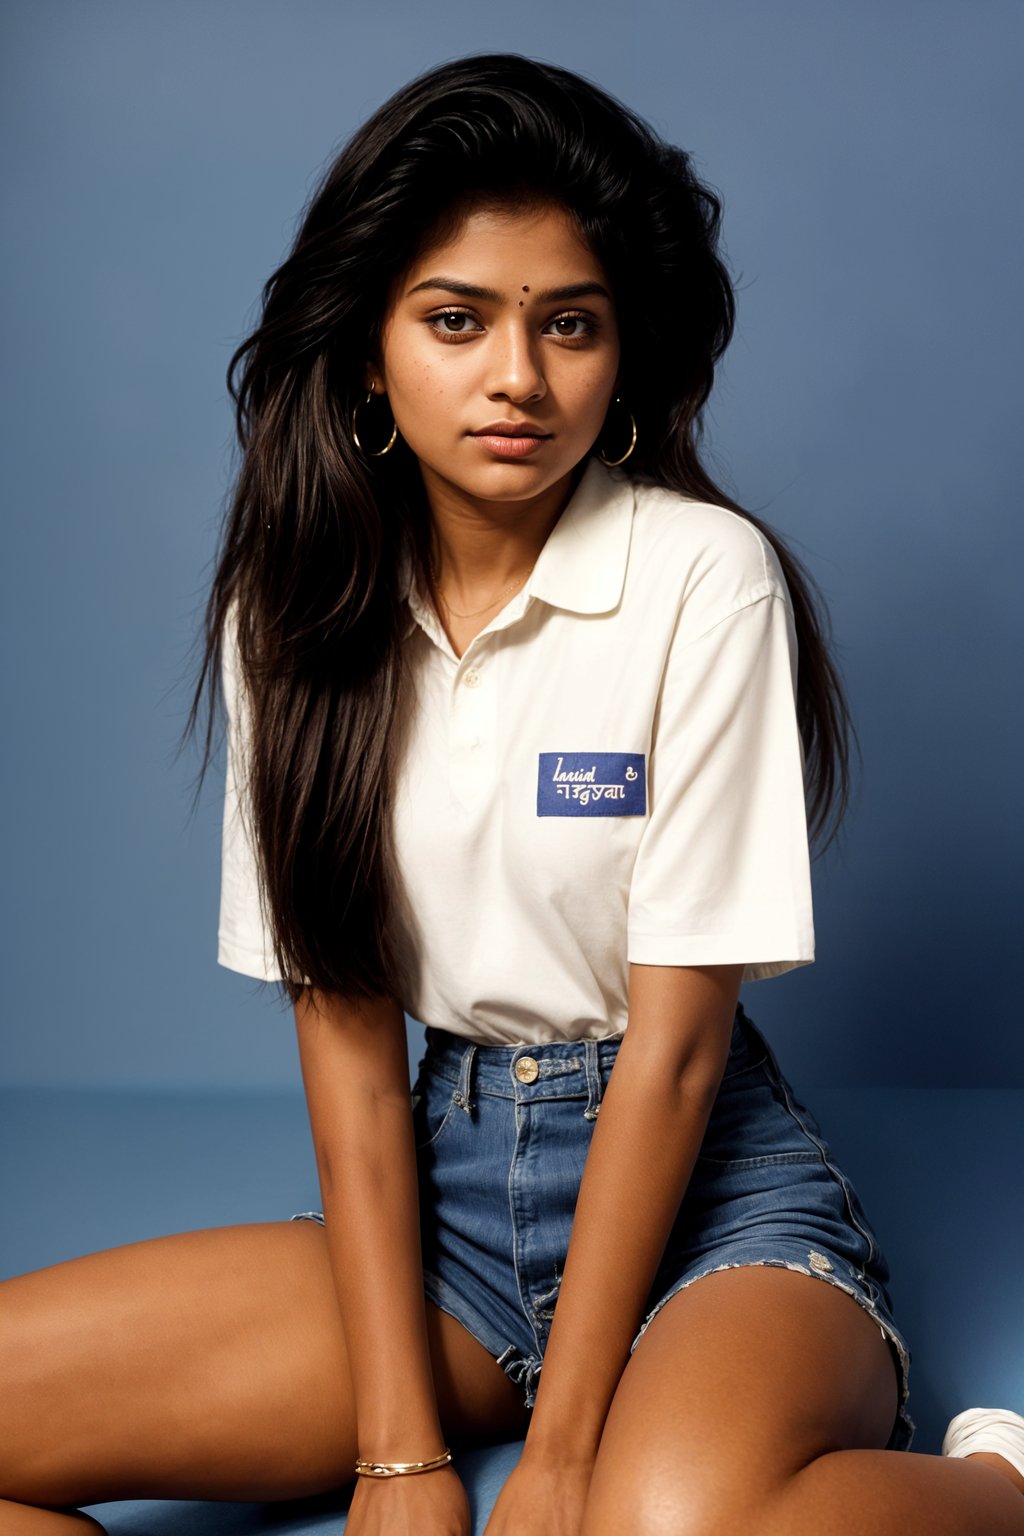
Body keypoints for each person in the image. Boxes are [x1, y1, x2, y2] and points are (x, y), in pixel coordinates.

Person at [2, 52, 1022, 1536]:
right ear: (367, 349)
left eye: (571, 326)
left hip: (710, 1199)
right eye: (456, 320)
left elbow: (678, 1053)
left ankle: (998, 1483)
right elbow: (344, 1029)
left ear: (622, 359)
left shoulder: (699, 580)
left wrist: (559, 1453)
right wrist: (398, 1453)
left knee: (657, 1532)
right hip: (443, 1211)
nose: (517, 380)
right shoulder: (289, 617)